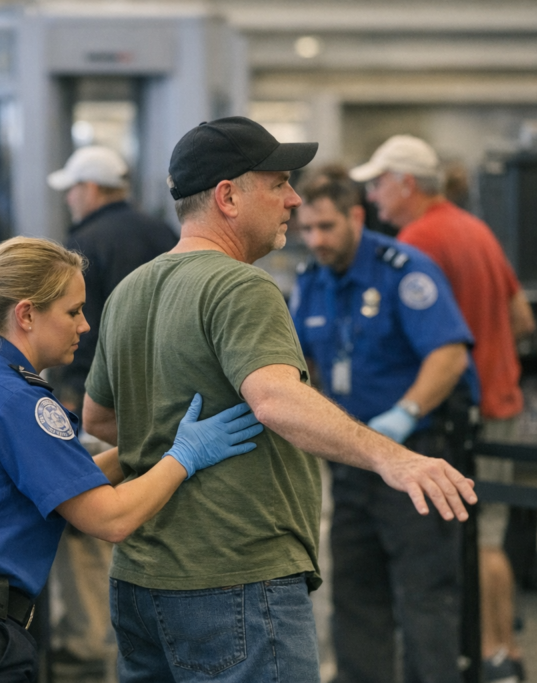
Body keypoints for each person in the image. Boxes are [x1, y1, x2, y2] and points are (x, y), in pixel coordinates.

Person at [81, 116, 478, 683]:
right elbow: (274, 400)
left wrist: (171, 441)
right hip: (235, 578)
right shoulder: (240, 285)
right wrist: (395, 456)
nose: (293, 199)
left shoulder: (130, 290)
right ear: (228, 197)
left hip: (143, 584)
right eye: (277, 183)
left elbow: (100, 418)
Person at [0, 236, 265, 683]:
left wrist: (146, 450)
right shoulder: (17, 400)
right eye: (73, 311)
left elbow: (67, 487)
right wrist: (184, 456)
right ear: (26, 314)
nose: (84, 326)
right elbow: (109, 519)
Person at [352, 134, 536, 682]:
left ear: (407, 184)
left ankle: (494, 653)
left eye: (380, 183)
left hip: (466, 412)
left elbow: (433, 343)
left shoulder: (419, 240)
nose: (374, 196)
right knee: (491, 535)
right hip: (502, 399)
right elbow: (522, 320)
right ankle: (503, 649)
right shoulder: (473, 226)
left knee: (475, 541)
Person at [290, 170, 477, 683]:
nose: (316, 240)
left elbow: (448, 353)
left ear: (355, 216)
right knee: (354, 594)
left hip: (417, 456)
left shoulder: (403, 269)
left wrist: (406, 413)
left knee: (425, 598)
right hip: (354, 463)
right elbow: (300, 360)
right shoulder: (311, 282)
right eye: (306, 229)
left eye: (326, 227)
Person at [45, 145, 176, 411]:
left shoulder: (84, 243)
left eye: (72, 189)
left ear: (91, 188)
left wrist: (71, 390)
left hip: (104, 394)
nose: (68, 199)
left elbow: (82, 322)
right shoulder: (163, 232)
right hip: (167, 384)